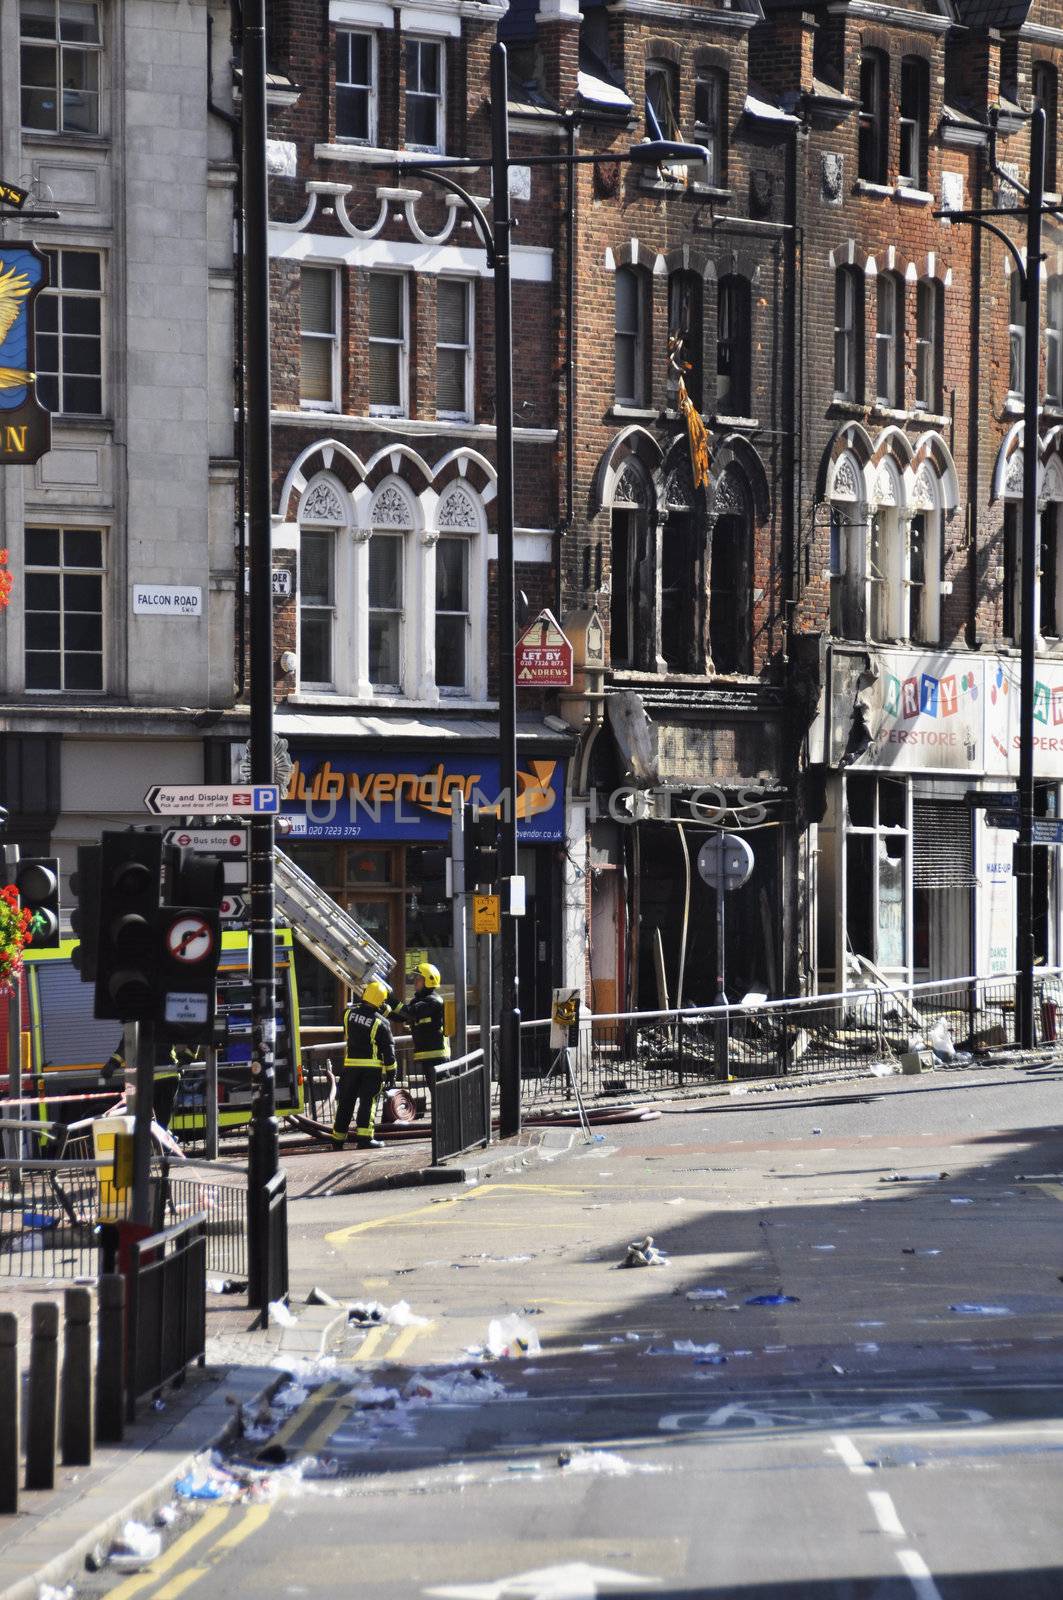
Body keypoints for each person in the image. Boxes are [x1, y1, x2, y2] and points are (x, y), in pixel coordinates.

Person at [331, 976, 395, 1150]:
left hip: (350, 1067)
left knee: (346, 1102)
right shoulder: (382, 1023)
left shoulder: (348, 1014)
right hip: (371, 1069)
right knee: (368, 1103)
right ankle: (365, 1139)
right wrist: (391, 1074)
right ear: (380, 1001)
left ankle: (338, 1139)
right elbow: (388, 1051)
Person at [392, 962, 450, 1091]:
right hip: (426, 1055)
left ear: (429, 981)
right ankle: (438, 1112)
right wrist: (383, 1007)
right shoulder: (417, 1002)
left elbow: (411, 1012)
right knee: (435, 1093)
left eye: (418, 979)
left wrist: (391, 1000)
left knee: (442, 1094)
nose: (415, 982)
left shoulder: (434, 1001)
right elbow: (401, 1017)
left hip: (437, 1056)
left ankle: (445, 1112)